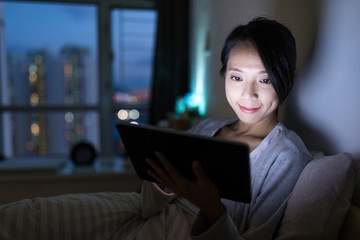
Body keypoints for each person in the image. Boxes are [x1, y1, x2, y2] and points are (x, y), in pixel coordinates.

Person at [0, 17, 311, 240]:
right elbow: (148, 206)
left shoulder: (285, 156)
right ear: (224, 75)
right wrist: (165, 183)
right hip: (142, 220)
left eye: (265, 79)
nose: (248, 94)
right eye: (237, 77)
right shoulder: (208, 127)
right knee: (21, 216)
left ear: (290, 79)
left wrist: (211, 208)